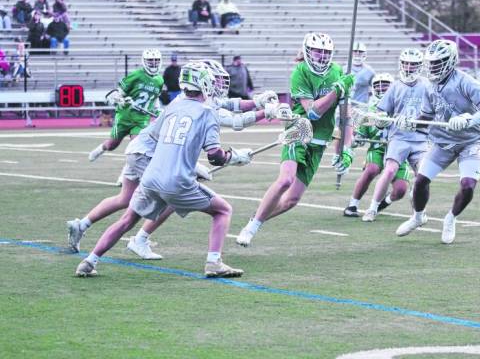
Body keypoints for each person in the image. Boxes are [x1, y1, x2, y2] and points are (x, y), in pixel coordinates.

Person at [69, 60, 286, 260]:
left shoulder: (191, 99)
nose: (219, 85)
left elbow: (231, 104)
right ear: (203, 81)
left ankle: (82, 224)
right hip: (151, 155)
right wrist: (264, 114)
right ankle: (139, 240)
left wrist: (257, 102)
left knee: (126, 198)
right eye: (215, 81)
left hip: (141, 150)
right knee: (172, 193)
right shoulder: (200, 107)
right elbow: (235, 121)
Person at [235, 33, 355, 247]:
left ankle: (257, 218)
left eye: (326, 52)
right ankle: (252, 227)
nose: (322, 55)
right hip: (298, 130)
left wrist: (347, 149)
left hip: (319, 141)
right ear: (308, 51)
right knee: (285, 180)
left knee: (291, 200)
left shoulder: (337, 72)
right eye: (318, 50)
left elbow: (346, 117)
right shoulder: (300, 72)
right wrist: (337, 89)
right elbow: (313, 113)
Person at [395, 39, 480, 244]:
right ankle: (418, 217)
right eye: (430, 62)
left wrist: (469, 119)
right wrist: (409, 122)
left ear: (450, 61)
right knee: (421, 181)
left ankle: (450, 219)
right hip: (442, 143)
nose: (432, 66)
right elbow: (426, 118)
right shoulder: (428, 86)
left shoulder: (465, 81)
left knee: (468, 186)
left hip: (470, 142)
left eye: (437, 62)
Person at [360, 48, 431, 222]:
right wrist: (381, 120)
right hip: (399, 137)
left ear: (420, 66)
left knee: (423, 176)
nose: (408, 67)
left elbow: (434, 112)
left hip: (420, 138)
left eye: (413, 64)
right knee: (390, 169)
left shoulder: (428, 86)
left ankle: (419, 212)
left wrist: (417, 122)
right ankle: (373, 208)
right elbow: (381, 112)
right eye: (406, 63)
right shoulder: (395, 86)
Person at [343, 73, 412, 217]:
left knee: (400, 190)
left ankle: (382, 203)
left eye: (385, 85)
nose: (381, 89)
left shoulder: (403, 108)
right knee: (372, 169)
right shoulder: (370, 110)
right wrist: (358, 139)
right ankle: (352, 205)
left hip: (398, 151)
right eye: (377, 86)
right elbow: (360, 134)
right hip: (378, 149)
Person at [88, 49, 164, 161]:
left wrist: (157, 109)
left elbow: (155, 97)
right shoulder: (136, 75)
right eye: (150, 60)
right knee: (111, 145)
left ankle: (127, 176)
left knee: (137, 148)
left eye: (156, 60)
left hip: (141, 119)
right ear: (144, 61)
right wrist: (120, 99)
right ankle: (99, 150)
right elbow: (118, 93)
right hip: (125, 116)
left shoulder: (159, 80)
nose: (153, 63)